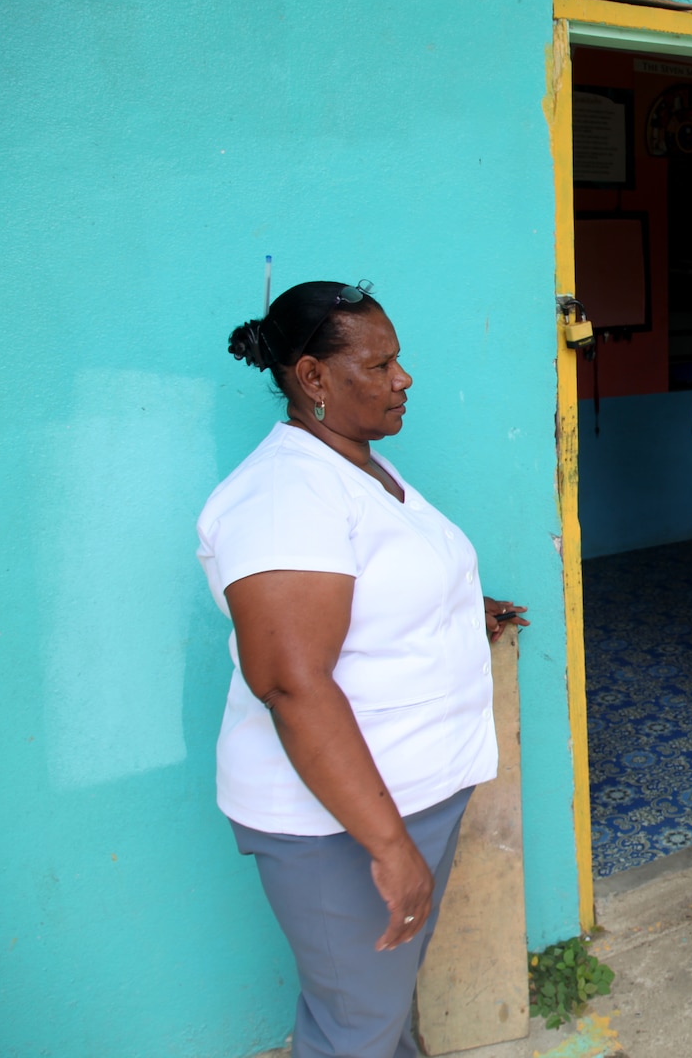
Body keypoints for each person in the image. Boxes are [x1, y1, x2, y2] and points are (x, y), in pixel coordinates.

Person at [197, 280, 527, 1058]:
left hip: (409, 795)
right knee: (356, 1028)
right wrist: (386, 846)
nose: (402, 379)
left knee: (378, 1012)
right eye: (380, 365)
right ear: (312, 378)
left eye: (398, 361)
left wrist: (452, 611)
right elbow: (290, 681)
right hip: (336, 824)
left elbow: (370, 590)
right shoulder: (284, 496)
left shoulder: (360, 468)